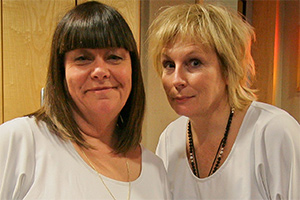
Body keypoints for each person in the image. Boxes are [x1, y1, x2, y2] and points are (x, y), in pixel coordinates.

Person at [0, 1, 170, 199]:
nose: (100, 71)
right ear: (61, 71)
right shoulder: (20, 141)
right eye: (82, 58)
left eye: (114, 57)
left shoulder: (154, 170)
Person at [148, 3, 300, 199]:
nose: (176, 80)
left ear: (229, 70)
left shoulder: (274, 132)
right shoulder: (170, 139)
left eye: (194, 63)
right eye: (169, 65)